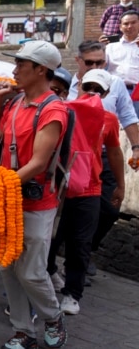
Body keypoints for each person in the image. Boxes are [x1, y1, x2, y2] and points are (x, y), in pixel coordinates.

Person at [0, 40, 67, 349]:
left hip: (36, 201)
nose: (14, 70)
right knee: (7, 266)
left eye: (21, 64)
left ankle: (52, 316)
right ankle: (23, 330)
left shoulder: (53, 109)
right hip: (8, 199)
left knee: (31, 271)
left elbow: (38, 162)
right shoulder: (15, 104)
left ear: (41, 70)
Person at [47, 69, 124, 316]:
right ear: (79, 85)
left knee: (80, 244)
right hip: (58, 187)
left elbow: (114, 152)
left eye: (98, 90)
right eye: (88, 86)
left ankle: (72, 293)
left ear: (106, 93)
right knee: (48, 240)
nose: (92, 92)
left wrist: (120, 185)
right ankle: (49, 273)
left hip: (90, 188)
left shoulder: (108, 119)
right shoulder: (64, 109)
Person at [67, 40, 139, 279]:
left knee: (108, 210)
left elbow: (128, 117)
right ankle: (72, 259)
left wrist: (137, 147)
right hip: (72, 158)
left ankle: (86, 250)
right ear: (78, 61)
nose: (95, 66)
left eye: (100, 62)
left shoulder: (115, 84)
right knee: (72, 212)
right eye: (89, 62)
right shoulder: (66, 83)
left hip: (105, 155)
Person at [104, 9, 139, 116]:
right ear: (120, 27)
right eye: (126, 23)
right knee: (115, 124)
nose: (129, 26)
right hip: (116, 91)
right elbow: (102, 66)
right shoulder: (111, 46)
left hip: (137, 92)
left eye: (133, 23)